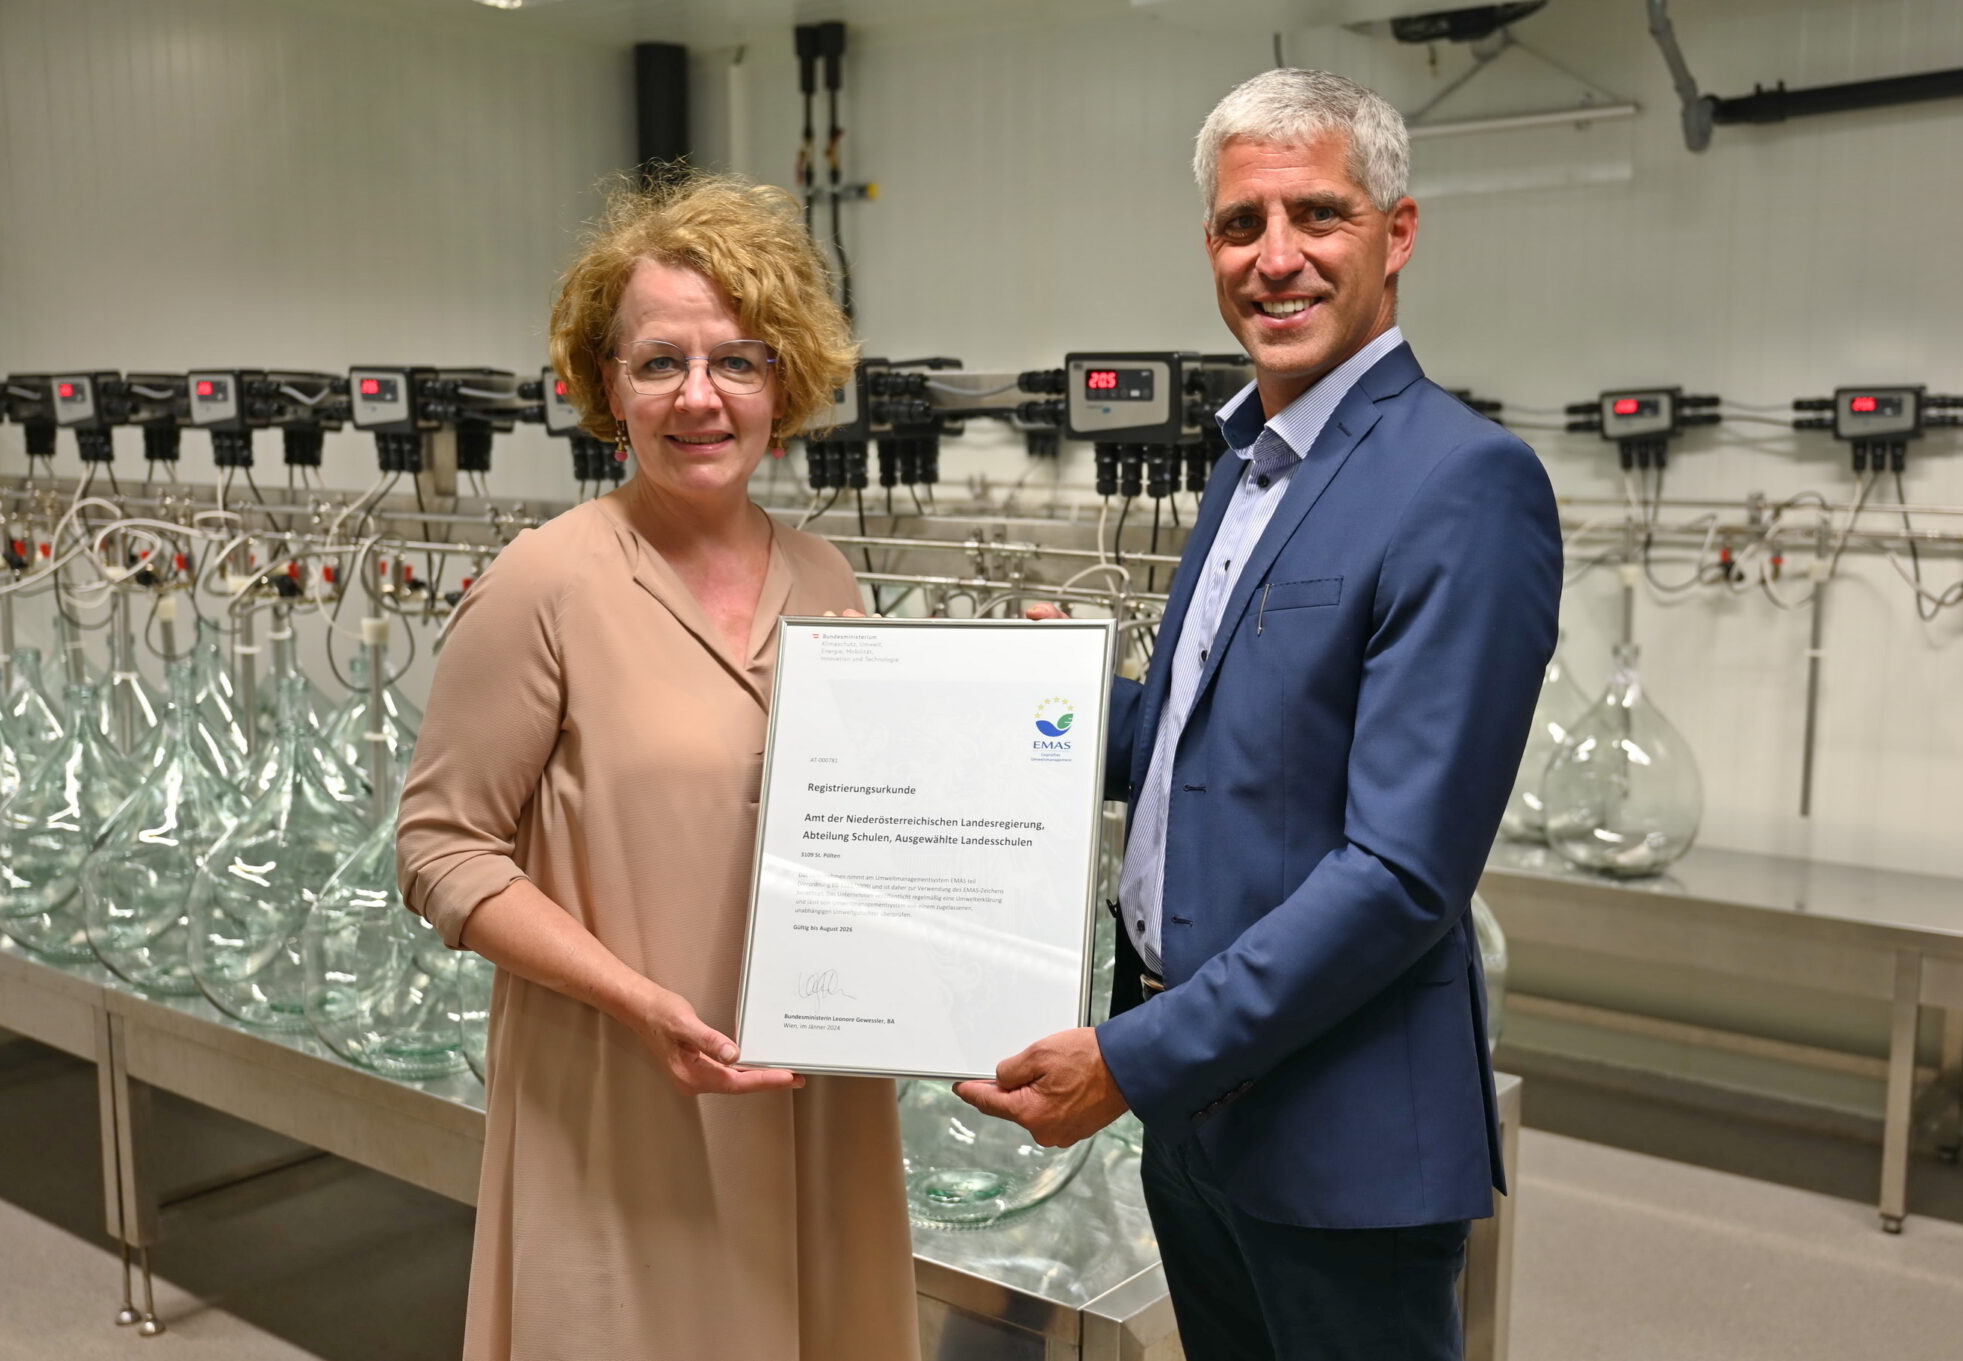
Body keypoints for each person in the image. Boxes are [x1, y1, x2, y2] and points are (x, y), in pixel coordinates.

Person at [957, 69, 1561, 1360]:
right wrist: (1034, 699)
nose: (1275, 259)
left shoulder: (1463, 483)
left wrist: (1131, 1057)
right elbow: (1207, 744)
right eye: (1242, 225)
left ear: (1396, 234)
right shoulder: (1250, 462)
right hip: (1197, 1113)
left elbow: (1401, 875)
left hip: (1337, 1134)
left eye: (1317, 216)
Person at [397, 172, 919, 1361]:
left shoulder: (830, 581)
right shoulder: (548, 580)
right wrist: (636, 1000)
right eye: (658, 363)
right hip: (624, 1097)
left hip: (817, 1098)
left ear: (783, 380)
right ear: (602, 385)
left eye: (737, 360)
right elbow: (437, 849)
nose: (699, 397)